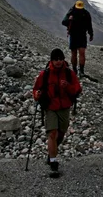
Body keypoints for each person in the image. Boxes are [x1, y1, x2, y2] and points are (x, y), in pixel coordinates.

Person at [33, 48, 82, 176]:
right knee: (52, 134)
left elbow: (77, 90)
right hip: (50, 107)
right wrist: (37, 95)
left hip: (64, 108)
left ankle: (51, 153)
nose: (59, 61)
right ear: (52, 60)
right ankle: (53, 162)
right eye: (56, 59)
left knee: (61, 134)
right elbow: (36, 89)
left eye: (61, 59)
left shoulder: (69, 73)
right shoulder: (45, 74)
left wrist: (68, 87)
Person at [61, 0, 94, 76]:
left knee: (81, 53)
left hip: (81, 35)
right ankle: (75, 70)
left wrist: (91, 34)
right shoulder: (72, 12)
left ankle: (81, 71)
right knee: (74, 53)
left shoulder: (86, 14)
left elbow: (89, 25)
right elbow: (63, 22)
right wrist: (69, 19)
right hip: (73, 34)